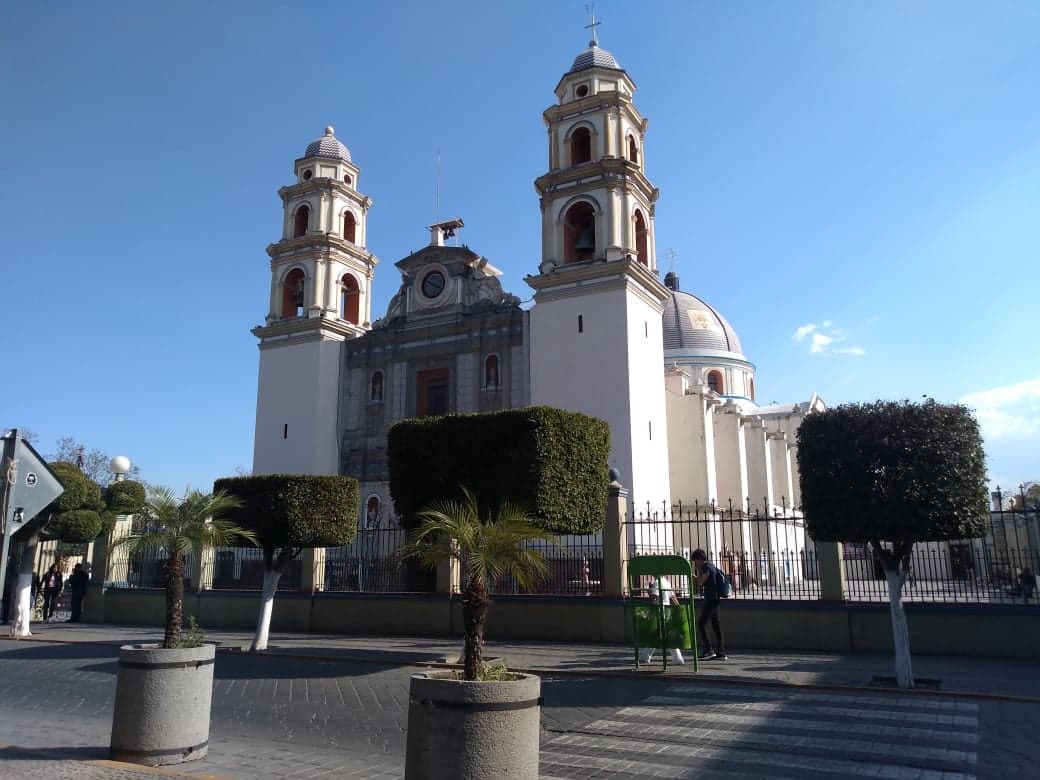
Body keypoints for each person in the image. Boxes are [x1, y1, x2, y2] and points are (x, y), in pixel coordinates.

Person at [638, 576, 685, 665]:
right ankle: (646, 655)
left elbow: (654, 597)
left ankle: (646, 656)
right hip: (667, 610)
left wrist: (649, 590)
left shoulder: (657, 582)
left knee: (659, 634)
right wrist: (679, 609)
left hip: (658, 610)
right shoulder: (666, 582)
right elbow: (673, 597)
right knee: (661, 634)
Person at [691, 549, 727, 660]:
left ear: (700, 559)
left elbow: (701, 582)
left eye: (695, 561)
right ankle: (721, 653)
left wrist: (698, 573)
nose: (695, 563)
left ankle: (708, 650)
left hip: (711, 600)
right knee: (716, 626)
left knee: (701, 624)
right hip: (715, 599)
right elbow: (706, 580)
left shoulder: (706, 567)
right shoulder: (712, 566)